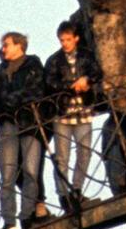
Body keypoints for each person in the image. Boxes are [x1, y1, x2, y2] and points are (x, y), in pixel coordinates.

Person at [0, 31, 51, 229]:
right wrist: (9, 103)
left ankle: (27, 215)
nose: (3, 48)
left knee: (31, 171)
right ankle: (9, 222)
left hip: (30, 122)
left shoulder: (32, 64)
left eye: (6, 44)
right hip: (8, 124)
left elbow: (36, 91)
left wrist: (9, 101)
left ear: (19, 46)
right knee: (7, 175)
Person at [41, 20, 101, 214]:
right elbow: (49, 82)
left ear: (76, 38)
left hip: (83, 111)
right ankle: (63, 195)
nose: (65, 43)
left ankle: (76, 190)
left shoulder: (87, 56)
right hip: (63, 113)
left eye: (68, 39)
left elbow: (98, 72)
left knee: (85, 152)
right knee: (62, 158)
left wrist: (87, 80)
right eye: (61, 40)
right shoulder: (54, 60)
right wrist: (70, 85)